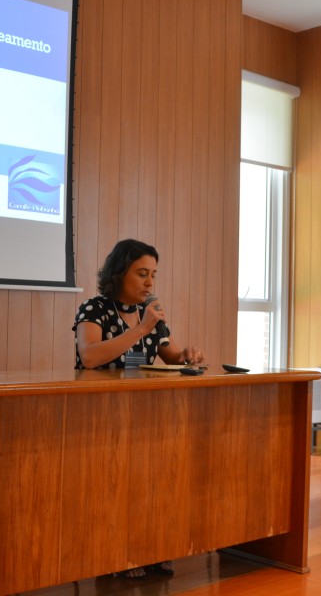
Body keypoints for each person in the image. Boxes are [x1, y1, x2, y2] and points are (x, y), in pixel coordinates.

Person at [72, 239, 205, 579]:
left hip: (146, 414)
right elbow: (89, 357)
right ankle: (115, 555)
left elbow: (171, 357)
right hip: (100, 416)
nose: (150, 283)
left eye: (154, 275)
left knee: (153, 483)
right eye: (142, 274)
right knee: (114, 486)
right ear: (120, 273)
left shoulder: (152, 316)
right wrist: (141, 329)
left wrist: (187, 356)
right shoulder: (95, 308)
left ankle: (150, 549)